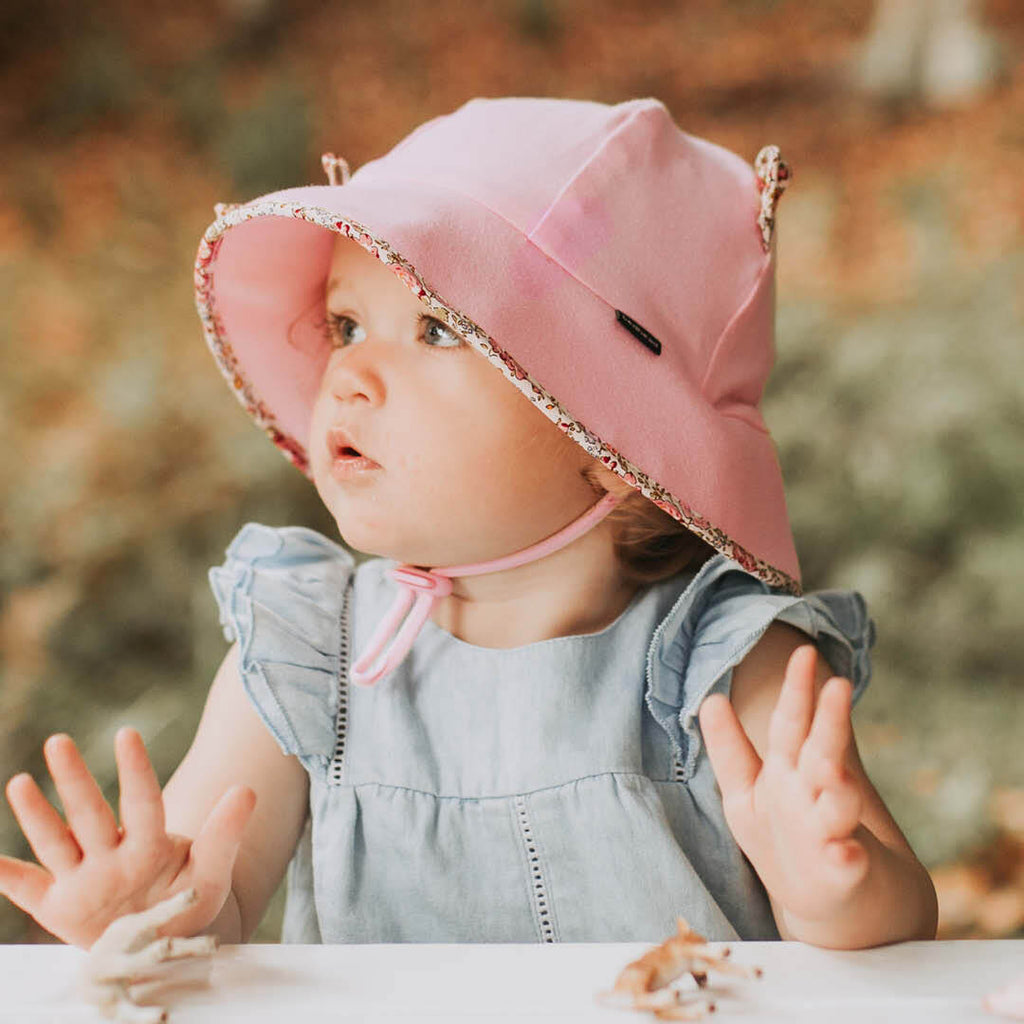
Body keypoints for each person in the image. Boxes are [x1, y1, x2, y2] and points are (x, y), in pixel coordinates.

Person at [1, 96, 937, 951]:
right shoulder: (308, 652)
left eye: (440, 329)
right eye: (347, 326)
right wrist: (147, 910)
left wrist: (828, 886)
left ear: (609, 435)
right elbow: (209, 898)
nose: (349, 378)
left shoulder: (722, 666)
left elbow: (903, 912)